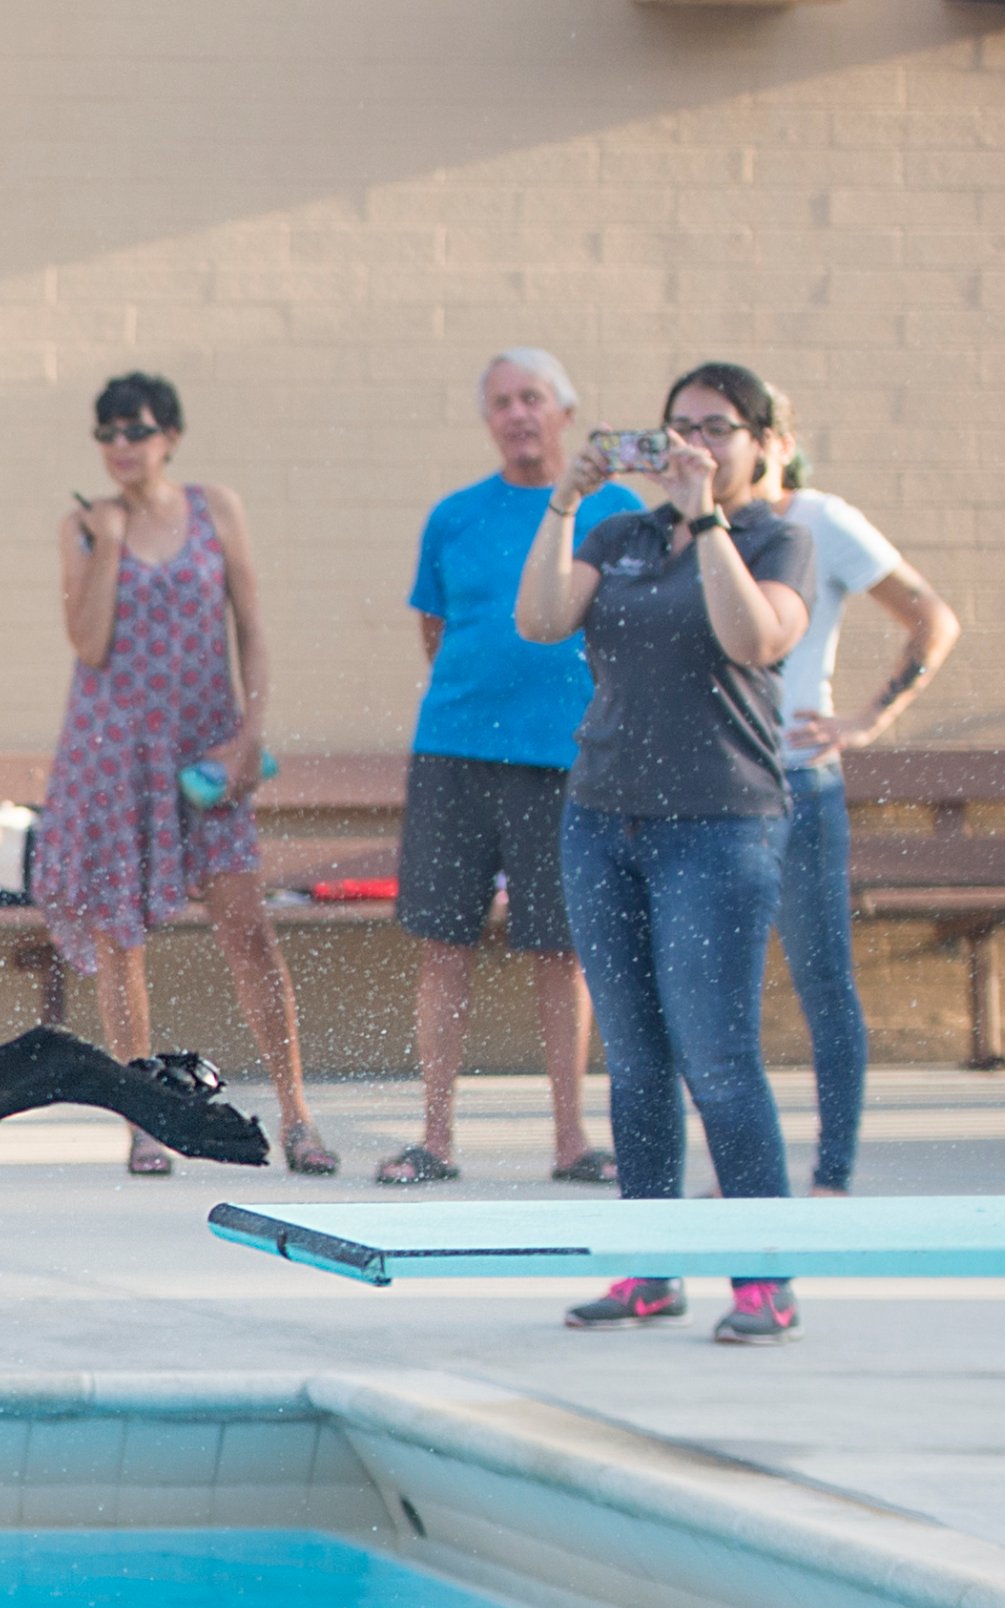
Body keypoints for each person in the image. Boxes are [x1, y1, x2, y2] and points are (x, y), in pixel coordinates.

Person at [515, 361, 817, 1344]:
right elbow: (539, 618)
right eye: (678, 428)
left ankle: (763, 1277)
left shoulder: (778, 538)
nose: (695, 445)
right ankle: (649, 1266)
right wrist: (563, 502)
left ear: (761, 444)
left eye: (717, 429)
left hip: (718, 828)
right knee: (637, 1060)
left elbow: (753, 639)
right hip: (603, 822)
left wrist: (710, 522)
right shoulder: (619, 534)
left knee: (716, 1056)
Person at [42, 371, 332, 1177]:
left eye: (135, 430)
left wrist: (250, 735)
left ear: (169, 434)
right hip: (113, 758)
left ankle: (298, 1114)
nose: (121, 447)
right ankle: (144, 1120)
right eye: (106, 434)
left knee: (247, 930)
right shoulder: (82, 526)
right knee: (121, 938)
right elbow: (90, 644)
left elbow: (253, 625)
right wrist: (105, 541)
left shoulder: (216, 509)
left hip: (207, 749)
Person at [378, 349, 638, 1186]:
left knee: (561, 950)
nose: (518, 414)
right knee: (443, 945)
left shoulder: (619, 509)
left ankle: (572, 1141)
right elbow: (437, 630)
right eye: (501, 403)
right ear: (488, 420)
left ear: (565, 410)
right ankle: (436, 1139)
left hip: (569, 763)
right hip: (455, 755)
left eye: (532, 398)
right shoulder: (454, 515)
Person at [761, 398, 958, 1196]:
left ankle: (830, 1175)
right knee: (716, 994)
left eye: (727, 426)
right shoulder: (692, 525)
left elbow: (931, 617)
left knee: (821, 980)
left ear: (777, 442)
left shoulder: (820, 520)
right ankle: (748, 1172)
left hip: (799, 785)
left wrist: (869, 718)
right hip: (714, 792)